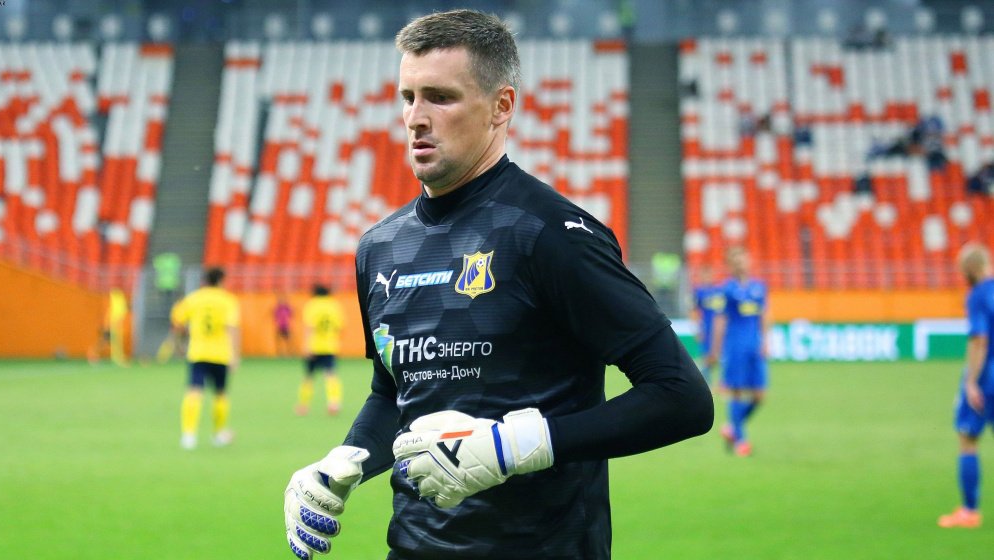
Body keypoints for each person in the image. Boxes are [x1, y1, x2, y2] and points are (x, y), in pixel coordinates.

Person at [283, 10, 713, 560]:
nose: (416, 118)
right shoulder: (380, 247)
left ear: (501, 107)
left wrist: (515, 448)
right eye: (408, 97)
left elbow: (681, 398)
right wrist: (344, 461)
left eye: (440, 97)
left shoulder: (550, 234)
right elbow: (393, 393)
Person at [938, 242, 994, 528]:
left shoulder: (978, 295)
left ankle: (969, 511)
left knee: (968, 439)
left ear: (967, 271)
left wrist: (971, 381)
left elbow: (979, 340)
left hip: (988, 378)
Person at [708, 246, 769, 458]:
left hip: (754, 346)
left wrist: (766, 341)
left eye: (743, 259)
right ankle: (741, 441)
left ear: (749, 261)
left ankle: (733, 427)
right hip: (735, 346)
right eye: (736, 261)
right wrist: (715, 350)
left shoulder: (759, 287)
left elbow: (764, 314)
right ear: (730, 265)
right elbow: (720, 320)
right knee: (735, 391)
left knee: (760, 396)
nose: (741, 264)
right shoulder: (726, 290)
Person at [172, 267, 240, 450]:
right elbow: (232, 328)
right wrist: (235, 355)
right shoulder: (227, 300)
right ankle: (218, 435)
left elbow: (177, 321)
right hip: (221, 354)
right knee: (220, 394)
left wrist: (180, 342)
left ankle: (188, 436)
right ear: (221, 281)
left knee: (194, 392)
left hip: (198, 352)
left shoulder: (193, 298)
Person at [295, 284, 345, 416]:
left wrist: (306, 346)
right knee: (331, 375)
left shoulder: (312, 305)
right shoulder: (334, 305)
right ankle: (334, 403)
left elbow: (309, 327)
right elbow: (339, 327)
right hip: (330, 346)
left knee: (309, 377)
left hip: (314, 346)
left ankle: (303, 406)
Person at [691, 264, 725, 384]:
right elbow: (694, 311)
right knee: (706, 354)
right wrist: (696, 329)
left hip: (718, 327)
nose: (707, 277)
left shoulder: (718, 291)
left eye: (708, 275)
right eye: (704, 275)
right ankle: (706, 380)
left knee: (717, 354)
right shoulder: (698, 291)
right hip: (705, 327)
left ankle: (719, 379)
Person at [273, 293, 295, 357]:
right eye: (280, 300)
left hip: (286, 326)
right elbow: (275, 316)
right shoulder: (277, 308)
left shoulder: (287, 308)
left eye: (282, 300)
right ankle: (279, 352)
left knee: (288, 339)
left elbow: (291, 314)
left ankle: (289, 352)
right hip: (279, 326)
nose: (281, 301)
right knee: (279, 340)